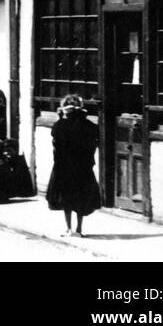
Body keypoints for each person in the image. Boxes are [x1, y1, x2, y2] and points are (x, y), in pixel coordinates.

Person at [46, 94, 102, 236]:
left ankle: (69, 228)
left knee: (66, 199)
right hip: (83, 168)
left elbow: (56, 145)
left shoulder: (60, 126)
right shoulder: (89, 125)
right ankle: (79, 229)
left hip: (64, 168)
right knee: (81, 198)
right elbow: (93, 144)